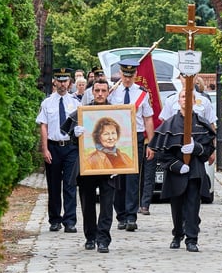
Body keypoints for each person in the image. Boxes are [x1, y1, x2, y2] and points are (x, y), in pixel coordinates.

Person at [149, 88, 216, 252]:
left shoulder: (201, 123)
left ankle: (192, 239)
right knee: (177, 207)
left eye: (189, 97)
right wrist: (178, 166)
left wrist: (196, 148)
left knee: (193, 205)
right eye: (183, 96)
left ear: (194, 101)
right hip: (176, 172)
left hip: (195, 171)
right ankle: (178, 234)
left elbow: (207, 150)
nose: (186, 99)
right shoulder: (169, 123)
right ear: (178, 100)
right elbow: (162, 154)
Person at [62, 79, 117, 253]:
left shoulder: (117, 112)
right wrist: (74, 134)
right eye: (97, 91)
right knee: (87, 203)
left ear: (108, 92)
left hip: (110, 166)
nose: (100, 94)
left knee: (107, 205)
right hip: (88, 164)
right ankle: (90, 237)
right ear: (92, 92)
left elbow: (125, 139)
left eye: (103, 90)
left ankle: (103, 239)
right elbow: (69, 136)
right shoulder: (81, 112)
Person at [108, 58, 154, 231]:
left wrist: (152, 143)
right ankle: (120, 214)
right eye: (125, 75)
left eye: (131, 75)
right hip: (116, 139)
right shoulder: (113, 93)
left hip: (135, 138)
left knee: (133, 179)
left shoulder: (142, 93)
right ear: (120, 74)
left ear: (136, 74)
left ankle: (131, 216)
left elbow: (148, 119)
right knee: (117, 178)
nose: (127, 79)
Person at [35, 67, 79, 233]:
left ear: (69, 82)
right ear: (54, 81)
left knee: (70, 184)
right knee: (53, 186)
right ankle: (54, 219)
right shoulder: (47, 103)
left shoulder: (75, 103)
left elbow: (81, 124)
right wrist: (45, 149)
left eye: (65, 80)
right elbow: (44, 126)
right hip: (53, 146)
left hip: (70, 148)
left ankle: (70, 220)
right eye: (59, 80)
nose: (62, 84)